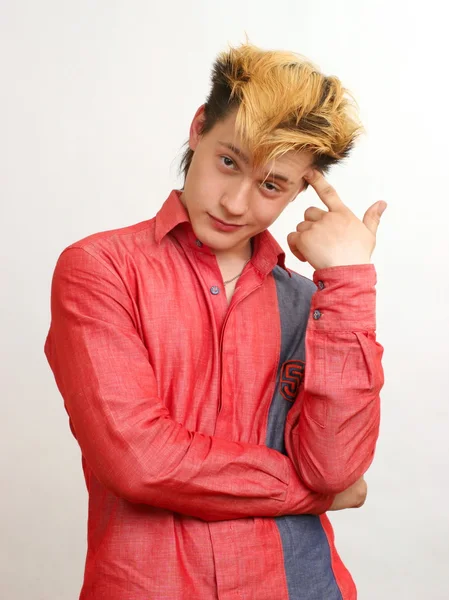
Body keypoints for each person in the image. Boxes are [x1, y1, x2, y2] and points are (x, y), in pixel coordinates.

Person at [44, 41, 386, 600]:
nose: (234, 203)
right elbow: (141, 462)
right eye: (229, 162)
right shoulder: (101, 270)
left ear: (302, 188)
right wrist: (315, 495)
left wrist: (348, 280)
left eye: (271, 185)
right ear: (199, 128)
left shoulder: (314, 303)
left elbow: (334, 465)